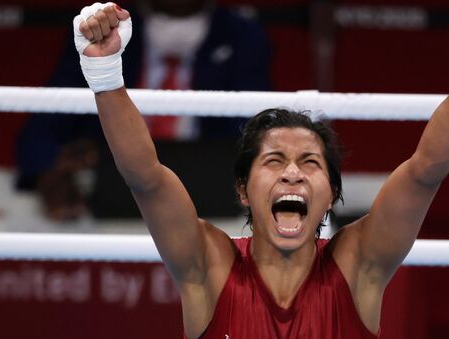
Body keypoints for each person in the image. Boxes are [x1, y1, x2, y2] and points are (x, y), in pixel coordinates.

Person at [73, 2, 449, 338]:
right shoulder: (209, 265)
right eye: (274, 160)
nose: (293, 174)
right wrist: (104, 71)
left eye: (310, 162)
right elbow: (146, 178)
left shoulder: (359, 265)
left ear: (332, 192)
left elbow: (424, 172)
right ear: (243, 190)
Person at [16, 0, 271, 221]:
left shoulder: (242, 35)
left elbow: (254, 133)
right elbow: (46, 121)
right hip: (108, 204)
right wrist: (47, 172)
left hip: (211, 208)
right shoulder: (104, 28)